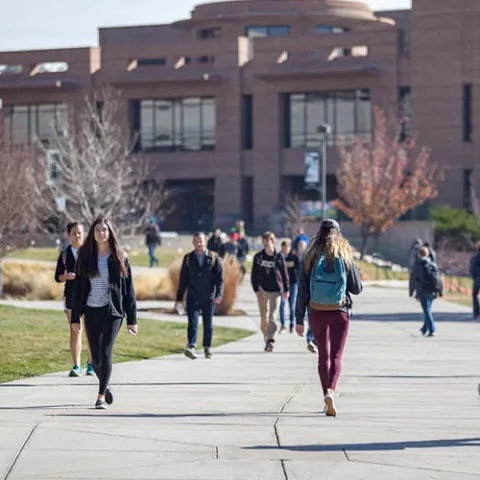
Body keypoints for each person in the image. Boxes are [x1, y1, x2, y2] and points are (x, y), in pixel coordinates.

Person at [295, 219, 363, 417]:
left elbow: (302, 290)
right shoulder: (345, 254)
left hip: (316, 311)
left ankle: (326, 393)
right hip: (340, 311)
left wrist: (299, 319)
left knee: (323, 356)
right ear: (338, 233)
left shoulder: (310, 256)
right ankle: (332, 390)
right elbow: (356, 289)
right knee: (336, 356)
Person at [72, 216, 137, 409]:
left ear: (110, 233)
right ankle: (105, 385)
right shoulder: (85, 256)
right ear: (93, 233)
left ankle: (100, 395)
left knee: (106, 352)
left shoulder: (119, 256)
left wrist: (132, 319)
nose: (102, 233)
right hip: (92, 310)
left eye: (105, 230)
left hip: (113, 311)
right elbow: (78, 290)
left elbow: (129, 289)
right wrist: (75, 317)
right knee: (96, 358)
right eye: (98, 230)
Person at [175, 232, 224, 360]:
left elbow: (219, 279)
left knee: (208, 324)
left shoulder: (213, 258)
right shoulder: (188, 258)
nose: (199, 243)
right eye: (196, 241)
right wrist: (179, 298)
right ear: (193, 243)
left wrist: (219, 294)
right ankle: (191, 346)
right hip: (193, 296)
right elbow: (183, 280)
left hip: (209, 297)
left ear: (205, 242)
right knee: (193, 323)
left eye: (201, 241)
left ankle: (207, 348)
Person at [54, 222, 93, 378]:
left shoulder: (90, 253)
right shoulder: (65, 254)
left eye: (80, 233)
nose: (77, 236)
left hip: (89, 295)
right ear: (69, 235)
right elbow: (57, 276)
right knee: (75, 330)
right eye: (74, 233)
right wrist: (66, 276)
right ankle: (76, 365)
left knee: (91, 330)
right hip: (70, 295)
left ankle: (91, 364)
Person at [251, 231, 289, 352]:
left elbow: (284, 273)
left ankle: (270, 340)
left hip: (276, 291)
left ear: (273, 242)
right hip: (262, 290)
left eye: (269, 241)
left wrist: (286, 289)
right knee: (264, 318)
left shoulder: (279, 256)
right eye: (265, 241)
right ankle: (266, 338)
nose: (267, 244)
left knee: (272, 316)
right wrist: (256, 290)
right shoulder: (258, 257)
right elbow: (254, 275)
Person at [409, 246, 443, 337]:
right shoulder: (432, 264)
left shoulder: (418, 264)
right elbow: (438, 279)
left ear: (419, 254)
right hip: (433, 291)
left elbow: (413, 279)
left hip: (423, 290)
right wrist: (440, 290)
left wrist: (411, 291)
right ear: (428, 254)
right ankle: (424, 329)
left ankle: (432, 329)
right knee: (427, 310)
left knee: (427, 311)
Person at [297, 240, 317, 354]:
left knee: (312, 318)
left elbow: (303, 281)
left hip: (311, 294)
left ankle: (311, 339)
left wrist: (299, 319)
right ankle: (313, 340)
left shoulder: (307, 259)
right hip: (326, 296)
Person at [279, 240, 299, 334]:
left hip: (293, 283)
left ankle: (292, 324)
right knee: (282, 304)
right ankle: (283, 325)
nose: (285, 249)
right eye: (284, 247)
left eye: (287, 247)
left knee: (292, 305)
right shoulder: (279, 257)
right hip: (282, 284)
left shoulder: (294, 257)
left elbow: (299, 270)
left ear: (290, 247)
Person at [470, 243, 480, 319]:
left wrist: (474, 277)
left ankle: (476, 313)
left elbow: (472, 269)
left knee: (475, 295)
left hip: (477, 278)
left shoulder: (474, 258)